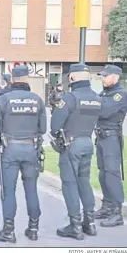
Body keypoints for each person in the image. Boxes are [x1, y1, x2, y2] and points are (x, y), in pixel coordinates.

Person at [0, 65, 46, 243]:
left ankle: (8, 231)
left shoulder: (4, 99)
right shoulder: (37, 100)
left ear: (12, 79)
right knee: (31, 189)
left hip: (10, 149)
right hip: (31, 149)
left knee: (8, 190)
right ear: (27, 79)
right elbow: (42, 129)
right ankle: (34, 228)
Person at [50, 64, 102, 240]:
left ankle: (75, 226)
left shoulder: (70, 98)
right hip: (88, 142)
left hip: (71, 145)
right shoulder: (96, 97)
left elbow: (55, 124)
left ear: (72, 78)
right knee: (84, 182)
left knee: (70, 184)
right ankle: (90, 223)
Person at [94, 65, 127, 228]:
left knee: (112, 174)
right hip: (101, 137)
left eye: (106, 76)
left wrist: (96, 105)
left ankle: (116, 212)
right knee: (102, 174)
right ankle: (107, 206)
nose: (103, 78)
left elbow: (103, 112)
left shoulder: (119, 95)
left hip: (111, 138)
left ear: (115, 77)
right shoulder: (104, 94)